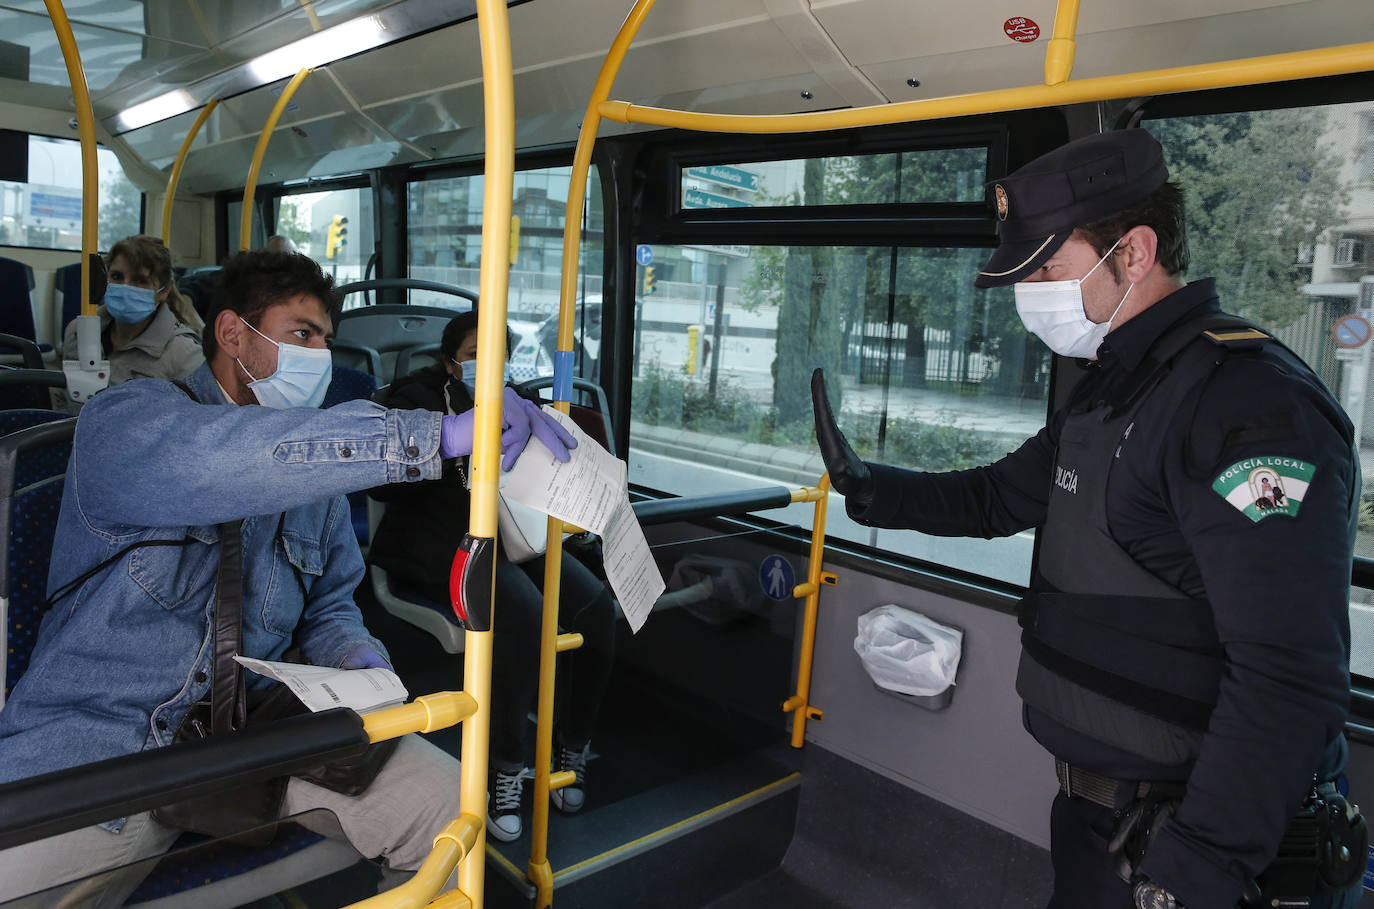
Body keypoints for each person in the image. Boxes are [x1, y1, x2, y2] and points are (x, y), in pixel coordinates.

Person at [812, 129, 1363, 908]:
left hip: (1197, 846)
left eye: (1046, 267)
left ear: (1133, 254)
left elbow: (1289, 673)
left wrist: (1195, 868)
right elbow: (999, 496)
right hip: (1106, 822)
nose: (1029, 291)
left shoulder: (1249, 406)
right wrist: (870, 488)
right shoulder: (1119, 385)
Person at [0, 250, 575, 907]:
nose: (320, 356)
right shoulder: (126, 422)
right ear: (232, 334)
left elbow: (329, 604)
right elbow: (221, 460)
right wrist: (433, 435)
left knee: (449, 806)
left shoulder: (319, 488)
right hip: (107, 741)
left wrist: (357, 660)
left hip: (255, 726)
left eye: (327, 339)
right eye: (302, 334)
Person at [369, 310, 617, 844]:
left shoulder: (518, 403)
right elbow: (383, 486)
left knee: (596, 607)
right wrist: (454, 443)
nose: (488, 365)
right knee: (523, 614)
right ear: (450, 362)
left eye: (496, 356)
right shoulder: (412, 400)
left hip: (513, 538)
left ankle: (573, 745)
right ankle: (506, 769)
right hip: (437, 541)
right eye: (475, 355)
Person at [61, 234, 205, 385]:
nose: (126, 287)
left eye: (139, 280)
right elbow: (64, 398)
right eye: (117, 276)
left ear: (164, 291)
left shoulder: (184, 353)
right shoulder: (78, 332)